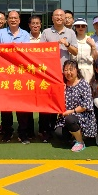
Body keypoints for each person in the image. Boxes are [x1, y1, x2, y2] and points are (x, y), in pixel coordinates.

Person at [39, 9, 79, 142]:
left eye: (61, 16)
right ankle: (45, 130)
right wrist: (52, 46)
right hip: (50, 73)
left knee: (63, 102)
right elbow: (41, 51)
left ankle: (60, 128)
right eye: (56, 15)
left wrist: (67, 44)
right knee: (47, 102)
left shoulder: (70, 32)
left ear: (65, 18)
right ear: (52, 18)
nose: (59, 18)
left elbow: (75, 51)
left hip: (65, 74)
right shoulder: (46, 32)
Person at [0, 10, 32, 143]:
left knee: (22, 105)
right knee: (6, 105)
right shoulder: (0, 33)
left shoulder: (25, 34)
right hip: (4, 74)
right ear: (7, 20)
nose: (13, 20)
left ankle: (23, 132)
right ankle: (7, 131)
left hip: (20, 74)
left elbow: (26, 54)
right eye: (11, 18)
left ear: (19, 20)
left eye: (15, 18)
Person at [54, 60, 96, 152]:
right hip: (65, 117)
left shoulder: (84, 84)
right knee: (59, 133)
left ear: (77, 70)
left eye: (71, 69)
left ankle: (80, 141)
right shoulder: (62, 84)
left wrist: (71, 111)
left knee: (70, 119)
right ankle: (74, 136)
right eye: (66, 70)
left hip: (81, 116)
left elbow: (85, 106)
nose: (68, 72)